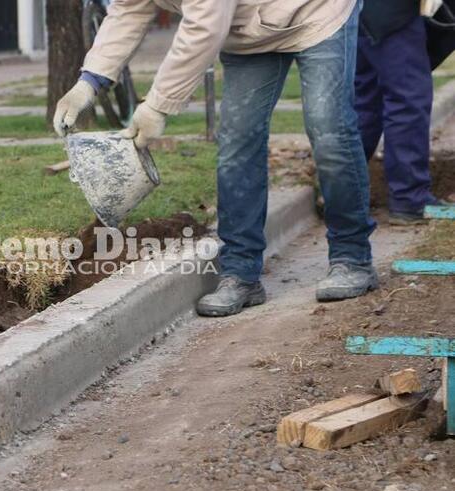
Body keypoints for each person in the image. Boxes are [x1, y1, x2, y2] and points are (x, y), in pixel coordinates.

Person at [53, 0, 378, 317]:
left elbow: (206, 22)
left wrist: (158, 105)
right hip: (249, 31)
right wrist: (90, 81)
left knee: (328, 129)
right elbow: (128, 9)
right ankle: (240, 274)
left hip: (317, 12)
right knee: (238, 144)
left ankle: (353, 258)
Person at [356, 0, 452, 225]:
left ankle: (341, 196)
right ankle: (410, 198)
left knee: (366, 98)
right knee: (408, 96)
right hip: (391, 12)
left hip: (358, 13)